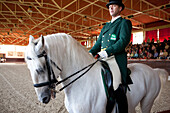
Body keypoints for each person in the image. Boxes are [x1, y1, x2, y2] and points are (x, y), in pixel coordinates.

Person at [89, 0, 132, 112]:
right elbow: (98, 44)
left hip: (115, 59)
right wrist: (89, 53)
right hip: (103, 58)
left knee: (115, 84)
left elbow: (123, 41)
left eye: (114, 6)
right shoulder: (106, 26)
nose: (111, 8)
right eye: (109, 7)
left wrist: (107, 52)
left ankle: (122, 110)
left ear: (120, 8)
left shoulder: (124, 23)